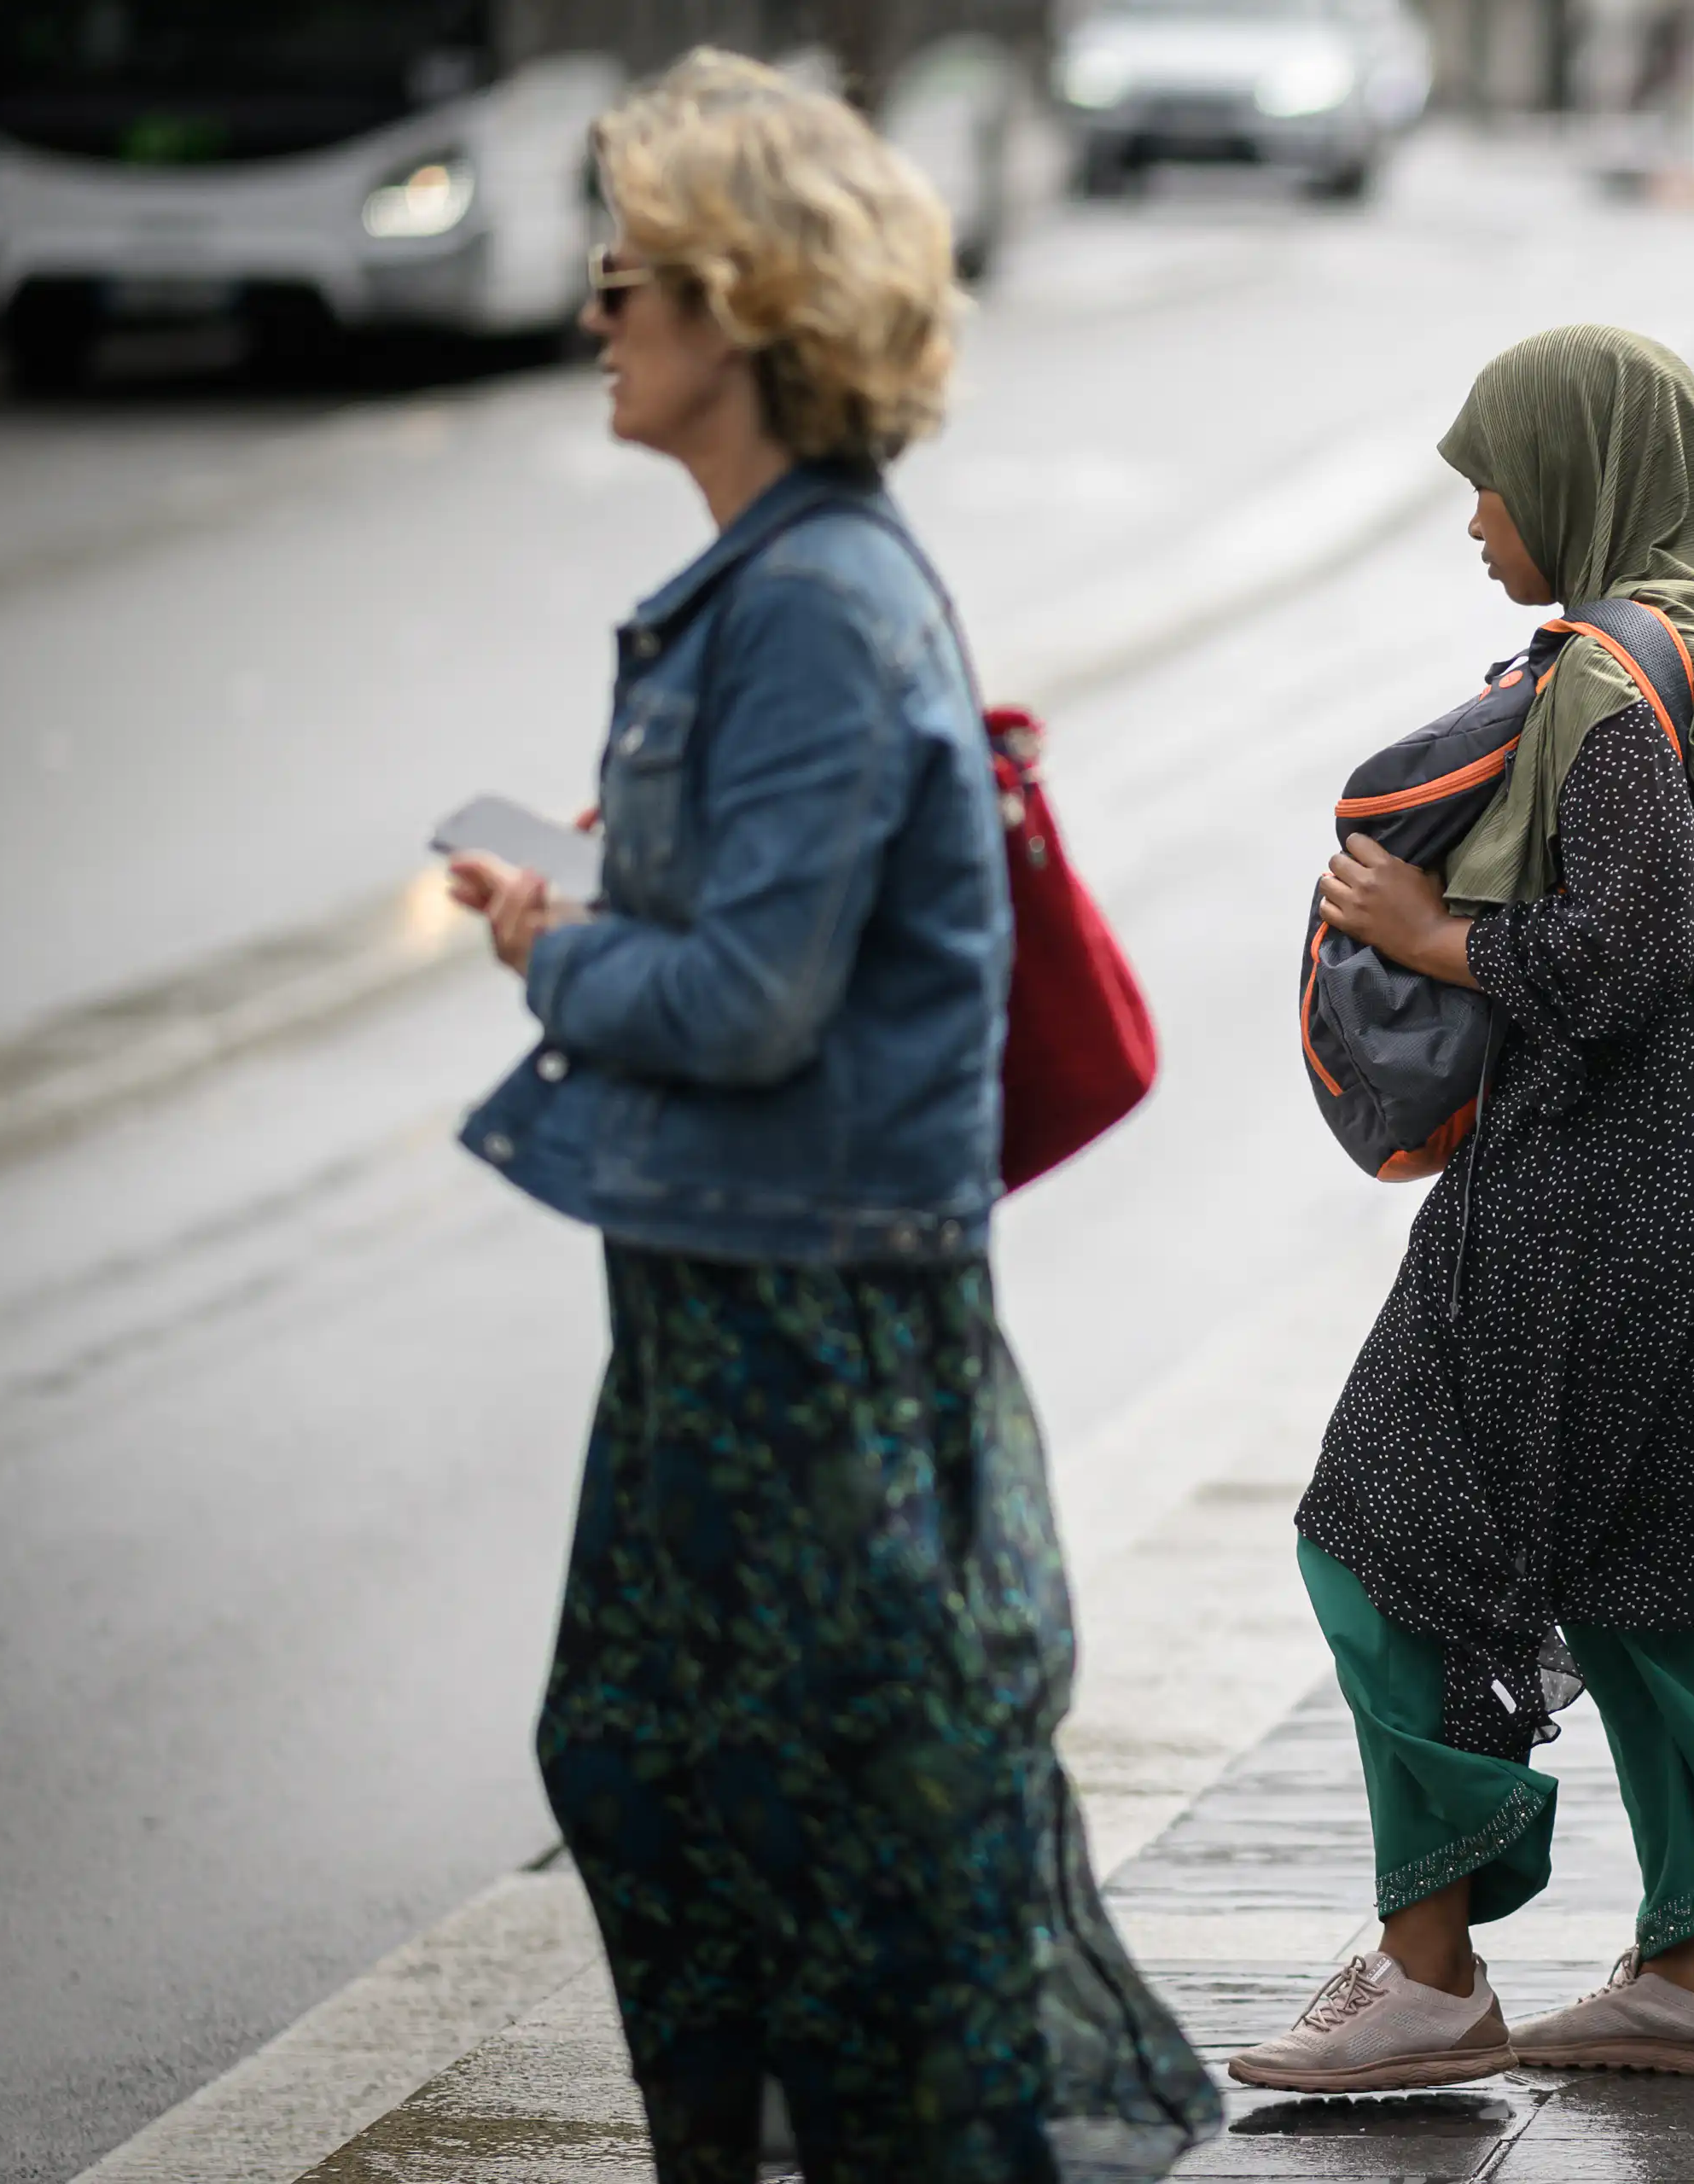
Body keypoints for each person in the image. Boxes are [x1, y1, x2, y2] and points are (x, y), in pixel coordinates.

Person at [444, 50, 1216, 2184]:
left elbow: (748, 1001)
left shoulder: (803, 604)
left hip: (801, 1323)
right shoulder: (782, 586)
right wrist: (606, 897)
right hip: (741, 1289)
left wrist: (551, 949)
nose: (594, 313)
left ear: (744, 307)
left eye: (629, 281)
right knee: (687, 1780)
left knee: (819, 1824)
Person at [1230, 325, 1694, 2094]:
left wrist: (1425, 936)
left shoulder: (1602, 682)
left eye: (1493, 481)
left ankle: (1426, 1969)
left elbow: (1616, 958)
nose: (1478, 520)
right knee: (1640, 1562)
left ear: (1579, 475)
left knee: (1379, 1526)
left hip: (1609, 1168)